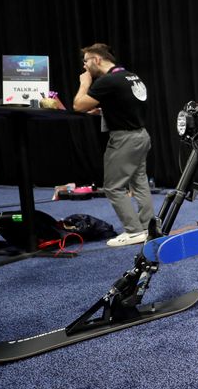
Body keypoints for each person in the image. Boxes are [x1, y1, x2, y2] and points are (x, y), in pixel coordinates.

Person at [73, 43, 155, 247]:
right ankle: (148, 228)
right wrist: (105, 111)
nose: (85, 67)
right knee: (139, 183)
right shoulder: (129, 76)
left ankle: (134, 231)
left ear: (96, 59)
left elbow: (78, 105)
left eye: (86, 62)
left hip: (124, 139)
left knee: (113, 187)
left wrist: (85, 82)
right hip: (141, 135)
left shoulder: (107, 80)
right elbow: (129, 104)